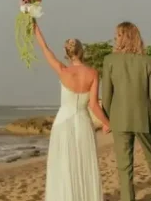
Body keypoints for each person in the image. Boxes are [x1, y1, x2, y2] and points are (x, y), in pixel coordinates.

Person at [33, 19, 109, 201]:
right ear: (82, 52)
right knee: (84, 165)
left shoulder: (62, 70)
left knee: (63, 167)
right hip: (83, 123)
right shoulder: (92, 74)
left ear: (67, 54)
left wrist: (34, 25)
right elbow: (93, 105)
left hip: (62, 124)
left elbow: (45, 49)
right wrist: (107, 123)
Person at [102, 21, 151, 201]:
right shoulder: (148, 61)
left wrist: (105, 120)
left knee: (125, 170)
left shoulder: (109, 60)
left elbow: (107, 95)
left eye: (117, 35)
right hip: (145, 119)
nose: (115, 38)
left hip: (119, 120)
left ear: (123, 37)